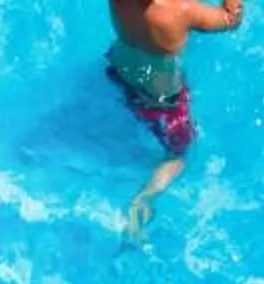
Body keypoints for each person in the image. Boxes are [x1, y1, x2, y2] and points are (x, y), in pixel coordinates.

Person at [104, 0, 243, 234]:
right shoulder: (183, 11)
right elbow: (231, 20)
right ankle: (144, 199)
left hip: (119, 74)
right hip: (163, 103)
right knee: (180, 152)